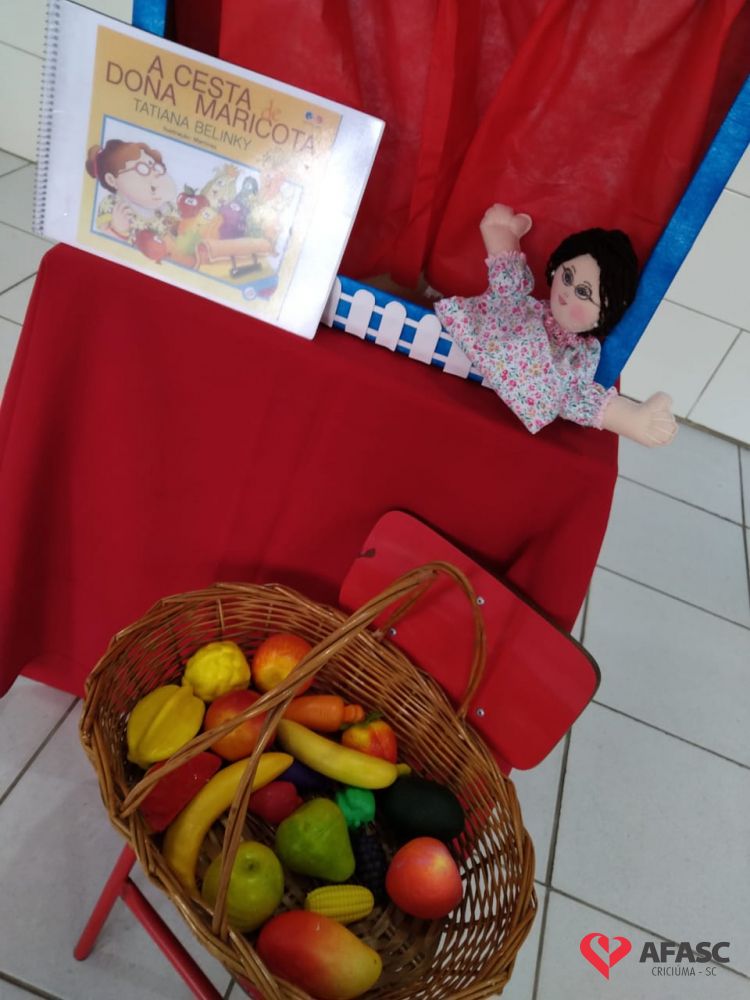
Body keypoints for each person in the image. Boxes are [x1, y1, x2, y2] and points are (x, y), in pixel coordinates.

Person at [434, 204, 677, 446]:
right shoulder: (528, 309)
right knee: (506, 298)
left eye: (583, 292)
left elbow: (577, 397)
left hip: (495, 402)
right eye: (568, 277)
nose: (568, 292)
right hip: (457, 351)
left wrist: (630, 418)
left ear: (604, 314)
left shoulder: (576, 356)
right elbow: (507, 284)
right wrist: (502, 236)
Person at [85, 140, 178, 244]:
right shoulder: (111, 205)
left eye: (152, 165)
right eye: (142, 169)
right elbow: (100, 238)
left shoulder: (167, 206)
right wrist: (118, 229)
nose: (154, 173)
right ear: (111, 180)